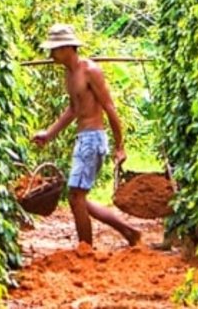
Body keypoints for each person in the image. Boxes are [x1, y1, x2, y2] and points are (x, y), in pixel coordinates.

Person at [32, 24, 141, 248]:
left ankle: (86, 249)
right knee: (77, 198)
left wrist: (120, 146)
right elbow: (74, 109)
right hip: (83, 138)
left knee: (75, 197)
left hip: (93, 138)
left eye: (54, 50)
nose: (51, 55)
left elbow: (110, 107)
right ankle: (129, 232)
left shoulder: (90, 70)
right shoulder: (69, 74)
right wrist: (49, 134)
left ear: (67, 48)